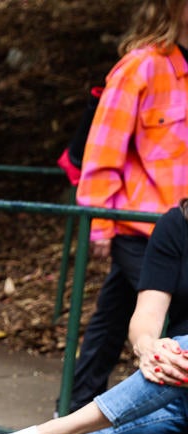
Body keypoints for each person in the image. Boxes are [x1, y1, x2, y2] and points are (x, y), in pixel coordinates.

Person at [0, 199, 188, 434]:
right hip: (177, 389)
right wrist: (149, 347)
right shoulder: (176, 225)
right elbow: (147, 313)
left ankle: (53, 431)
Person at [68, 0, 188, 412]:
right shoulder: (141, 67)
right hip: (142, 226)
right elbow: (103, 151)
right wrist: (100, 222)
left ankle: (75, 408)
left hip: (180, 226)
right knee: (165, 313)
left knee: (115, 312)